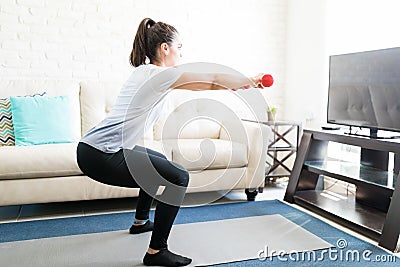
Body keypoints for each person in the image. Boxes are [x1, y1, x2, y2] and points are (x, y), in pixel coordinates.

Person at [76, 18, 265, 267]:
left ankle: (141, 221)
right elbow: (210, 80)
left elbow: (206, 83)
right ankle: (156, 252)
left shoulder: (147, 72)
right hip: (100, 154)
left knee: (159, 163)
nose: (181, 53)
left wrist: (233, 85)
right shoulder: (157, 74)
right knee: (178, 176)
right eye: (179, 47)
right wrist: (250, 79)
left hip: (95, 149)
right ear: (165, 48)